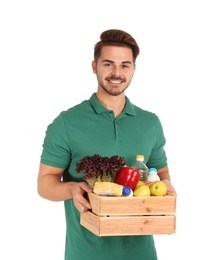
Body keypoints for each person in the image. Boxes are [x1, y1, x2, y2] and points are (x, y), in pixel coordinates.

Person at [37, 29, 177, 260]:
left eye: (125, 65)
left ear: (133, 69)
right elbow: (45, 183)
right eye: (108, 64)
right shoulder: (66, 123)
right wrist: (72, 189)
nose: (116, 73)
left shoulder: (150, 123)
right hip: (86, 253)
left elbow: (160, 170)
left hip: (141, 253)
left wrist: (166, 185)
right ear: (94, 66)